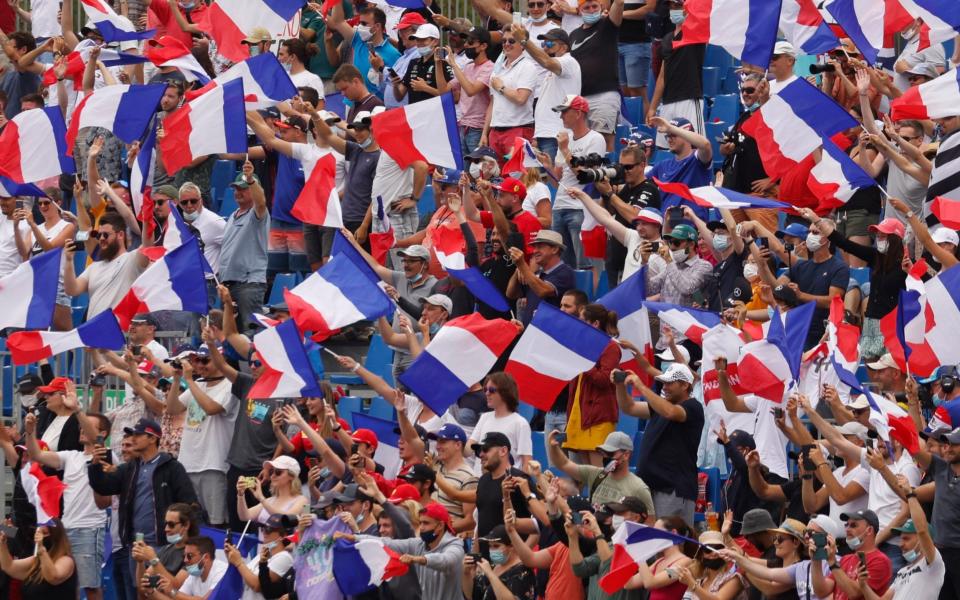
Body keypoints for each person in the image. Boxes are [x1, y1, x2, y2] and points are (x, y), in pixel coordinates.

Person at [86, 417, 197, 597]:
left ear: (153, 438)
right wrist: (95, 466)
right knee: (140, 593)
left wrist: (186, 539)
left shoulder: (172, 467)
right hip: (136, 545)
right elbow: (103, 486)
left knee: (163, 592)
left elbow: (189, 504)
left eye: (138, 435)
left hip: (164, 545)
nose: (133, 439)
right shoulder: (129, 468)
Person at [23, 410, 109, 600]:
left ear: (102, 434)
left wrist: (77, 410)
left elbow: (97, 441)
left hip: (89, 529)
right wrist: (30, 432)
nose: (81, 428)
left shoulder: (106, 457)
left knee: (90, 586)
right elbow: (36, 455)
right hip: (66, 528)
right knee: (70, 585)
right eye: (81, 425)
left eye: (87, 424)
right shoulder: (71, 456)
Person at [615, 365, 704, 525]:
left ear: (685, 385)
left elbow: (671, 412)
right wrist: (619, 385)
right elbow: (629, 407)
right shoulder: (660, 406)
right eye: (664, 383)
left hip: (673, 488)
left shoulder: (693, 407)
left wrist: (641, 386)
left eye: (670, 383)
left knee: (669, 542)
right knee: (651, 543)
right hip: (650, 486)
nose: (665, 387)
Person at [166, 347, 237, 528]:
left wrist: (189, 380)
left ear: (221, 361)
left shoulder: (230, 386)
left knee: (216, 523)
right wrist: (176, 380)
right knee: (189, 524)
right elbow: (173, 409)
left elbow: (211, 409)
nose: (198, 365)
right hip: (188, 463)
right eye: (196, 360)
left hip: (214, 464)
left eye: (205, 360)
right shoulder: (199, 384)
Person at [353, 502, 465, 600]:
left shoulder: (455, 545)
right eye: (420, 523)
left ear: (440, 525)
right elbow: (386, 542)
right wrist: (355, 538)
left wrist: (419, 559)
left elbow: (446, 561)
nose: (421, 528)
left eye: (426, 523)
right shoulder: (418, 544)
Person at [547, 94, 607, 268]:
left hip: (580, 208)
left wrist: (565, 149)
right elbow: (557, 180)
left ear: (579, 113)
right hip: (559, 206)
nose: (561, 116)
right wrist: (546, 165)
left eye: (565, 112)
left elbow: (585, 176)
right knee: (561, 267)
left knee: (584, 266)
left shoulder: (595, 139)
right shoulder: (565, 140)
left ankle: (587, 296)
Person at [512, 26, 581, 162]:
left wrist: (524, 41)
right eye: (544, 44)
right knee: (547, 179)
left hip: (556, 134)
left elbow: (546, 61)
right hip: (547, 134)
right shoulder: (556, 69)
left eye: (550, 43)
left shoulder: (569, 61)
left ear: (564, 47)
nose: (545, 47)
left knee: (555, 179)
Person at [63, 212, 151, 317]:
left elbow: (148, 245)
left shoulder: (132, 259)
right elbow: (72, 290)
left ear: (120, 235)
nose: (101, 239)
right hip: (93, 330)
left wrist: (147, 216)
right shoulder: (94, 267)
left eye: (106, 235)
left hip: (119, 331)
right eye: (99, 235)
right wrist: (68, 260)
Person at [217, 161, 269, 332]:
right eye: (236, 189)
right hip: (230, 284)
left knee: (251, 335)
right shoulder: (232, 215)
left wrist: (251, 180)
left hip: (248, 284)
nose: (238, 192)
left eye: (243, 188)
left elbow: (261, 202)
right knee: (231, 336)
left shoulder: (258, 213)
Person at [566, 0, 625, 150]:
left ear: (601, 8)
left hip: (605, 96)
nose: (591, 10)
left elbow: (619, 4)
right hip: (580, 99)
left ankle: (607, 173)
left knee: (604, 140)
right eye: (587, 7)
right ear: (579, 10)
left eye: (595, 6)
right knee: (582, 143)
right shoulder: (573, 35)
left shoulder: (607, 25)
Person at [548, 429, 653, 510]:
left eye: (610, 453)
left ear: (626, 455)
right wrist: (553, 447)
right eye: (603, 452)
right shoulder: (595, 474)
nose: (606, 456)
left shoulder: (638, 488)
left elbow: (649, 523)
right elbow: (563, 464)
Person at [647, 1, 705, 144]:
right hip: (667, 101)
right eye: (672, 6)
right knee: (665, 147)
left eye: (678, 5)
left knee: (692, 146)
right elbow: (662, 76)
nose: (674, 10)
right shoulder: (667, 38)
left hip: (689, 98)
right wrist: (652, 108)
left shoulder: (696, 32)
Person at [481, 26, 538, 160]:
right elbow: (493, 103)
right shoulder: (497, 68)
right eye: (504, 41)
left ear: (523, 45)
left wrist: (501, 88)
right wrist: (484, 133)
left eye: (512, 41)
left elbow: (520, 98)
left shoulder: (528, 66)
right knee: (495, 178)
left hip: (518, 129)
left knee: (517, 177)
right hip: (495, 131)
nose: (506, 44)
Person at [811, 509, 892, 600]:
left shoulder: (880, 560)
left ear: (869, 530)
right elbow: (821, 592)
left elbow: (854, 593)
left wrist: (832, 561)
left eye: (853, 525)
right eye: (846, 525)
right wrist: (816, 559)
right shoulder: (846, 559)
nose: (847, 529)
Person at [326, 4, 401, 96]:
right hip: (351, 103)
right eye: (360, 23)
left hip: (377, 106)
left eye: (364, 24)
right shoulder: (358, 39)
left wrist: (380, 70)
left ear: (377, 26)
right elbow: (338, 22)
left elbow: (398, 89)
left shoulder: (394, 54)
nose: (360, 27)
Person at [647, 117, 713, 221]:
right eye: (667, 136)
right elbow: (641, 182)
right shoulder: (662, 165)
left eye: (673, 135)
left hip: (691, 227)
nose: (669, 139)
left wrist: (670, 128)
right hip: (665, 227)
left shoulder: (697, 160)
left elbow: (705, 145)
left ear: (686, 136)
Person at [507, 229, 576, 326]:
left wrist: (522, 265)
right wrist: (518, 268)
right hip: (530, 333)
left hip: (549, 335)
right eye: (534, 247)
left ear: (555, 249)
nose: (535, 251)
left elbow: (542, 291)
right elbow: (511, 294)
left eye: (540, 247)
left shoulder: (565, 271)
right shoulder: (535, 274)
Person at [468, 372, 533, 470]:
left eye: (492, 390)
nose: (487, 393)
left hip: (505, 483)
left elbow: (527, 463)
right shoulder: (485, 417)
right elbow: (468, 450)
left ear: (505, 392)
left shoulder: (520, 423)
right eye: (485, 389)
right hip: (479, 481)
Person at [447, 26, 495, 157]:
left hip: (477, 129)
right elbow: (443, 89)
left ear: (483, 46)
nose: (466, 45)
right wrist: (439, 64)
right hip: (462, 125)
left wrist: (453, 65)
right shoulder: (468, 67)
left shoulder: (490, 67)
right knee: (464, 174)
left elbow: (471, 90)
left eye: (471, 42)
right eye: (466, 41)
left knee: (475, 172)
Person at [225, 513, 295, 600]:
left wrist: (239, 562)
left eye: (268, 529)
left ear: (283, 536)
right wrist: (232, 559)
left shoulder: (284, 558)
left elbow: (257, 585)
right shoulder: (261, 555)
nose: (264, 532)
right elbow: (241, 580)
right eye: (263, 528)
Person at [0, 521, 77, 598]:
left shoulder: (66, 560)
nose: (39, 538)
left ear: (55, 536)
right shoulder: (36, 560)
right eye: (38, 533)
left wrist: (41, 550)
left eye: (44, 533)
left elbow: (53, 577)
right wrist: (2, 543)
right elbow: (8, 566)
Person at [463, 524, 536, 600]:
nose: (491, 550)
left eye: (496, 546)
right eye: (490, 546)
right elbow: (471, 595)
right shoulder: (493, 565)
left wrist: (490, 575)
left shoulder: (523, 572)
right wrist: (466, 573)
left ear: (512, 546)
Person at [428, 424, 478, 533]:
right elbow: (414, 441)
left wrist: (441, 530)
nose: (437, 446)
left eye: (443, 441)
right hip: (427, 533)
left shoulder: (469, 476)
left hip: (448, 540)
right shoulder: (435, 465)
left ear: (458, 445)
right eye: (437, 441)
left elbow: (470, 520)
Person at [394, 24, 452, 104]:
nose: (419, 43)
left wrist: (426, 88)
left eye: (423, 39)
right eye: (417, 40)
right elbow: (399, 97)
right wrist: (395, 85)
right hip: (415, 114)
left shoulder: (444, 62)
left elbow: (453, 97)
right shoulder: (413, 63)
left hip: (436, 114)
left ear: (435, 41)